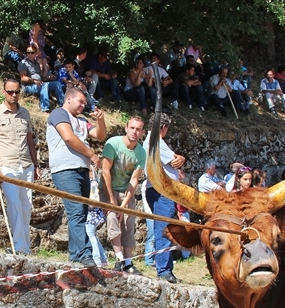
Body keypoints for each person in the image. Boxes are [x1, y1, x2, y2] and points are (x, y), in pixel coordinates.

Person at [46, 87, 106, 266]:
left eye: (85, 103)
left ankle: (75, 255)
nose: (83, 105)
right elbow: (69, 138)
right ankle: (84, 254)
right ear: (69, 99)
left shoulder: (82, 120)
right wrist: (91, 154)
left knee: (81, 213)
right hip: (65, 170)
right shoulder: (59, 114)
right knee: (77, 211)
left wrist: (100, 121)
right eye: (80, 102)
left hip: (81, 171)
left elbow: (100, 135)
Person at [0, 79, 40, 255]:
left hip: (26, 164)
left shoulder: (25, 113)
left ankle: (25, 246)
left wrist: (36, 164)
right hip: (6, 164)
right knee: (13, 204)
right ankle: (19, 245)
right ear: (3, 91)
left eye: (16, 92)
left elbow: (30, 141)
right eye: (10, 92)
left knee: (26, 206)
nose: (13, 95)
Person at [100, 116, 147, 274]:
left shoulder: (141, 153)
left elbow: (134, 180)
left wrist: (124, 205)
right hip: (108, 187)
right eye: (132, 128)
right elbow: (105, 171)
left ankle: (128, 263)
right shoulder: (113, 143)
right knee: (112, 217)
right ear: (126, 128)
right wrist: (112, 200)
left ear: (142, 132)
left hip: (125, 190)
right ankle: (119, 258)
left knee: (128, 223)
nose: (135, 132)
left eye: (138, 129)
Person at [143, 113, 185, 284]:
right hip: (161, 191)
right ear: (164, 128)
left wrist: (180, 158)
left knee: (164, 229)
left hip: (160, 190)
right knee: (163, 230)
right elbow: (175, 161)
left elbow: (177, 159)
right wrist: (180, 159)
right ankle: (164, 270)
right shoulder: (154, 142)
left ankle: (165, 269)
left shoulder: (155, 142)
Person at [19, 44, 64, 113]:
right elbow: (23, 78)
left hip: (39, 84)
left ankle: (63, 104)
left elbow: (41, 79)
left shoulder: (36, 64)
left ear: (36, 53)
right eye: (28, 52)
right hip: (28, 87)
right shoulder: (23, 63)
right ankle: (45, 108)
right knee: (44, 85)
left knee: (56, 83)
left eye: (32, 52)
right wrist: (34, 81)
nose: (30, 54)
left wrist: (49, 78)